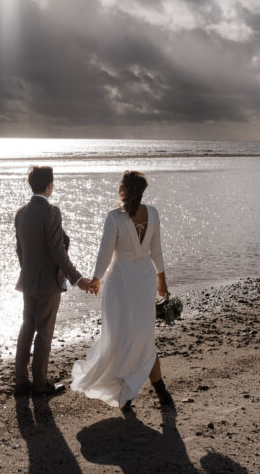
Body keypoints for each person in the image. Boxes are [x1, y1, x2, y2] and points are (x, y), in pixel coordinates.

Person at [71, 170, 174, 412]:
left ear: (123, 189)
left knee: (119, 337)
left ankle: (126, 394)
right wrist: (162, 280)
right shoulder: (153, 213)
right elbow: (156, 252)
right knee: (143, 336)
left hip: (121, 283)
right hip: (144, 280)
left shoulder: (115, 217)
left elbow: (105, 253)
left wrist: (95, 279)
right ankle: (160, 391)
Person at [14, 165, 98, 397]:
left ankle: (21, 381)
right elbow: (58, 251)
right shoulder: (52, 212)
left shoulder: (21, 212)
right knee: (44, 333)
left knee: (26, 328)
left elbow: (19, 250)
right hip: (48, 283)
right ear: (49, 185)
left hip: (27, 281)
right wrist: (78, 279)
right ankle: (40, 384)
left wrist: (28, 271)